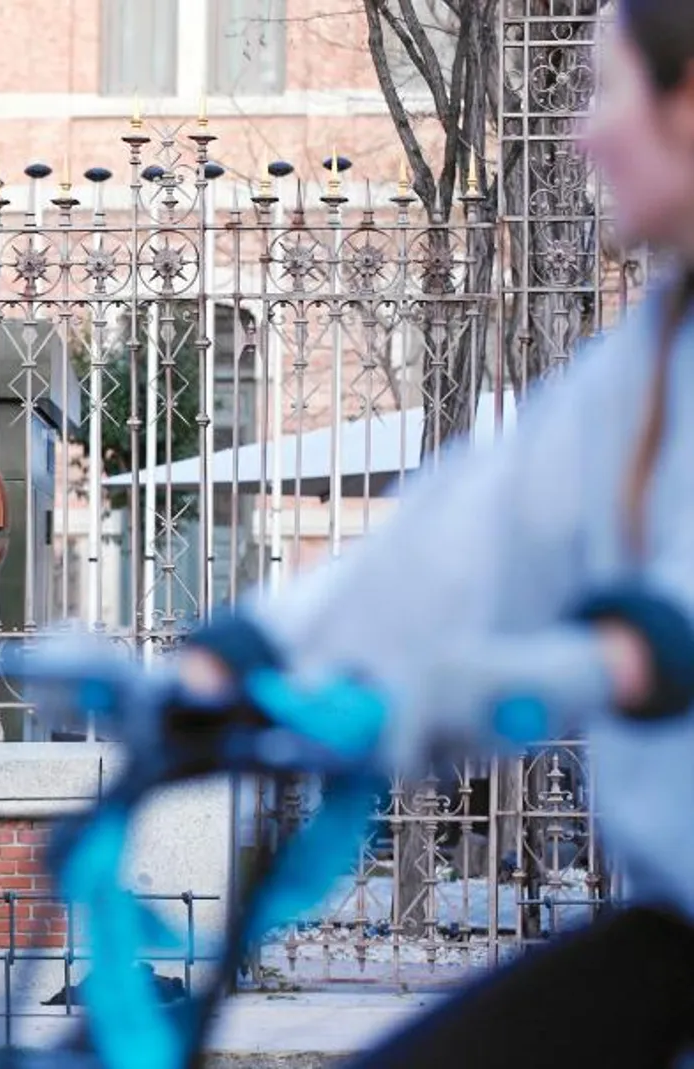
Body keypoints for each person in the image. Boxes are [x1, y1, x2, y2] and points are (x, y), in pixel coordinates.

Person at [158, 2, 694, 1064]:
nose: (586, 132)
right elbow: (468, 532)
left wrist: (592, 658)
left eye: (613, 89)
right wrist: (244, 652)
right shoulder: (644, 360)